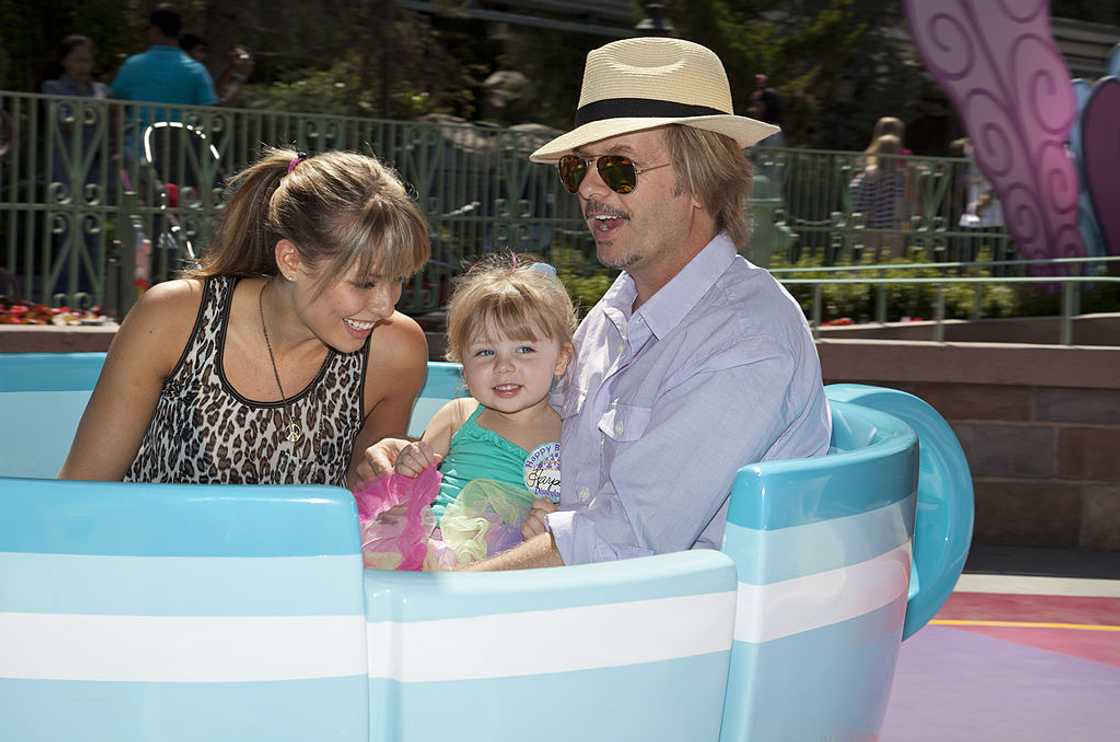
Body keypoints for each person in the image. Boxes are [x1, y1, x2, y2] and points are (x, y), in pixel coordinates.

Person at [367, 37, 832, 570]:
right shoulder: (622, 305)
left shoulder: (745, 341)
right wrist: (423, 450)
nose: (587, 189)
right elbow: (537, 416)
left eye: (618, 167)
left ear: (700, 182)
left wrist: (444, 596)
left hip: (670, 613)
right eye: (577, 168)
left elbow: (618, 541)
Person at [58, 147, 431, 487]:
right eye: (365, 283)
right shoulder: (173, 319)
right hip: (154, 540)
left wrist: (390, 473)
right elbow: (82, 490)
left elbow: (363, 508)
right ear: (291, 261)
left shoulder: (394, 352)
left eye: (398, 279)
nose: (386, 306)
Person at [389, 255, 576, 565]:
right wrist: (408, 467)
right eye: (485, 352)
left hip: (509, 567)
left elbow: (581, 512)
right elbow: (408, 491)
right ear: (464, 366)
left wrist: (551, 521)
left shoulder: (571, 434)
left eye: (524, 349)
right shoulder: (458, 415)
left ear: (560, 359)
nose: (503, 366)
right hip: (434, 551)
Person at [110, 4, 217, 118]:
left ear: (155, 30)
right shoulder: (197, 70)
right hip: (180, 129)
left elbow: (114, 101)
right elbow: (210, 107)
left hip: (140, 129)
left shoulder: (132, 65)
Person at [849, 133, 907, 260]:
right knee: (890, 257)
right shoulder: (899, 176)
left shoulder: (869, 173)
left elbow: (856, 192)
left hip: (871, 219)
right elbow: (900, 199)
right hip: (891, 220)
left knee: (870, 255)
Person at [180, 33, 255, 105]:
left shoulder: (236, 71)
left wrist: (241, 63)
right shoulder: (202, 69)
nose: (203, 54)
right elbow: (215, 95)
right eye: (200, 51)